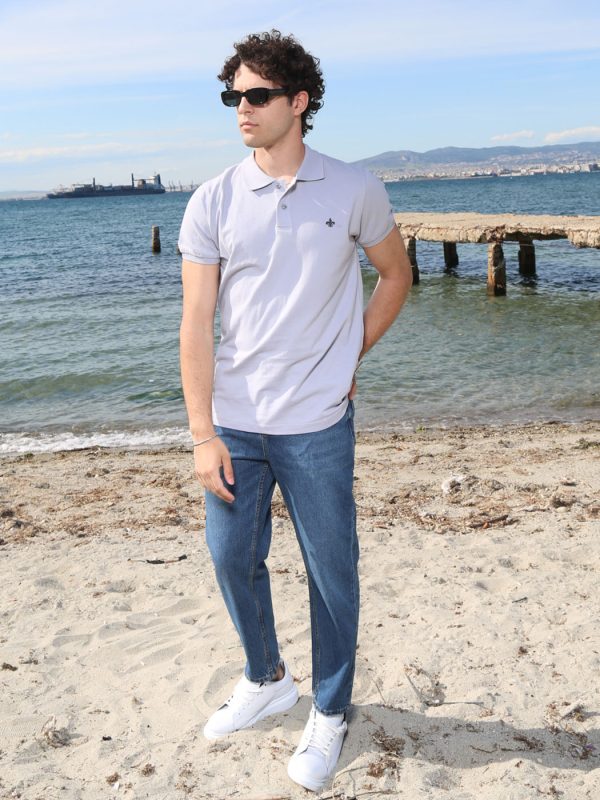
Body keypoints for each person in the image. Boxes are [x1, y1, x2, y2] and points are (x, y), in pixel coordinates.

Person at [178, 29, 412, 793]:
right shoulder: (213, 198)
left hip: (317, 423)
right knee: (229, 557)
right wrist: (203, 432)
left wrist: (350, 358)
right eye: (232, 96)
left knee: (330, 572)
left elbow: (395, 275)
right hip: (236, 423)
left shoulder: (354, 188)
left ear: (299, 101)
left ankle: (332, 710)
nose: (241, 109)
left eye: (256, 95)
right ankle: (267, 677)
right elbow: (196, 323)